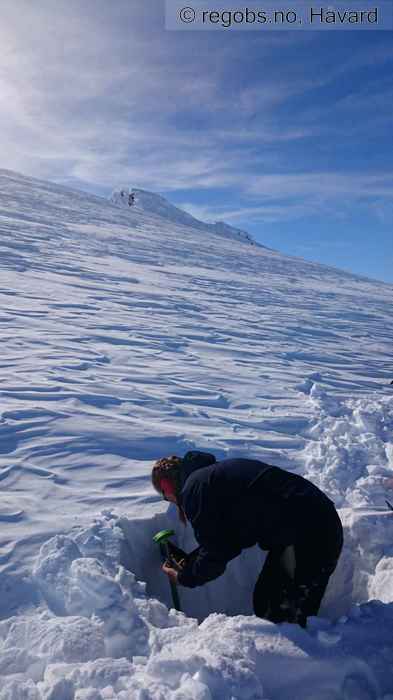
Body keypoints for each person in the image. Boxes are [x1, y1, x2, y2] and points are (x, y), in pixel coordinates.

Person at [152, 451, 343, 627]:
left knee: (283, 614)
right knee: (268, 601)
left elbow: (219, 550)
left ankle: (302, 662)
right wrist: (191, 562)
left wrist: (185, 578)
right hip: (312, 526)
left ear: (167, 486)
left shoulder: (196, 488)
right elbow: (229, 539)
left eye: (164, 496)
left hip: (309, 534)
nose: (169, 500)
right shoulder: (210, 478)